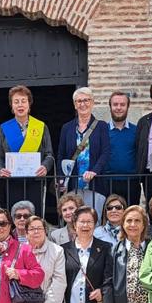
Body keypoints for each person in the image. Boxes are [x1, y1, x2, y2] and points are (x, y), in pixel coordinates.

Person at [0, 85, 55, 217]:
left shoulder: (40, 126)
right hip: (13, 181)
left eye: (23, 101)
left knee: (35, 216)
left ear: (29, 104)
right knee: (14, 216)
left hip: (35, 180)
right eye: (16, 102)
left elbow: (49, 154)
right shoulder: (4, 128)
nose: (20, 105)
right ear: (11, 106)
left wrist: (45, 167)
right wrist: (0, 169)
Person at [59, 87, 110, 215]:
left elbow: (106, 152)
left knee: (94, 219)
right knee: (73, 221)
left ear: (92, 103)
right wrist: (61, 179)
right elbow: (61, 155)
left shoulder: (101, 126)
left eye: (86, 100)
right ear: (75, 105)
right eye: (79, 101)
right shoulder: (67, 128)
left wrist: (94, 171)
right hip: (73, 184)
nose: (83, 104)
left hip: (95, 183)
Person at [105, 91, 142, 207]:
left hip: (131, 182)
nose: (119, 108)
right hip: (107, 182)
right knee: (109, 217)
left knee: (131, 218)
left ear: (128, 107)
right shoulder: (102, 131)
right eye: (115, 104)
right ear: (110, 107)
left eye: (122, 104)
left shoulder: (137, 131)